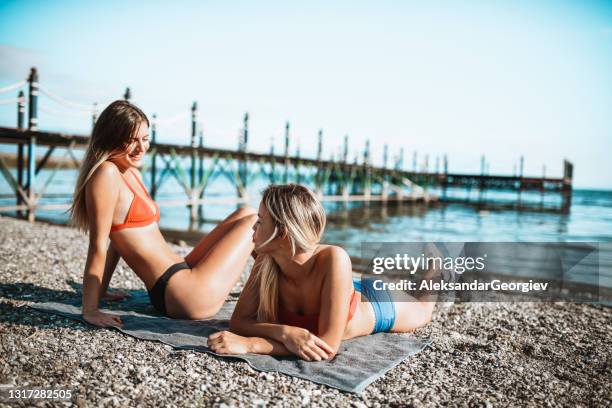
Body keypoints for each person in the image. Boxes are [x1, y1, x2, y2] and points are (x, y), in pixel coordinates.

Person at [69, 100, 256, 327]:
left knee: (246, 212)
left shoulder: (129, 171)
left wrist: (103, 290)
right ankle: (280, 294)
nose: (141, 148)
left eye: (145, 139)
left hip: (180, 274)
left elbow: (117, 242)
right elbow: (98, 245)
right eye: (131, 140)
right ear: (110, 137)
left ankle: (275, 292)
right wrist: (91, 309)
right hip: (183, 294)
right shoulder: (106, 173)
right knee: (257, 222)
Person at [207, 184, 436, 361]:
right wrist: (286, 332)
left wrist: (252, 345)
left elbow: (327, 346)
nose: (253, 228)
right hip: (340, 286)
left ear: (282, 233)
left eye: (260, 221)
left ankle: (437, 267)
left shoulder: (335, 258)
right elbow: (239, 322)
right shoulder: (266, 261)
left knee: (424, 308)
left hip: (374, 303)